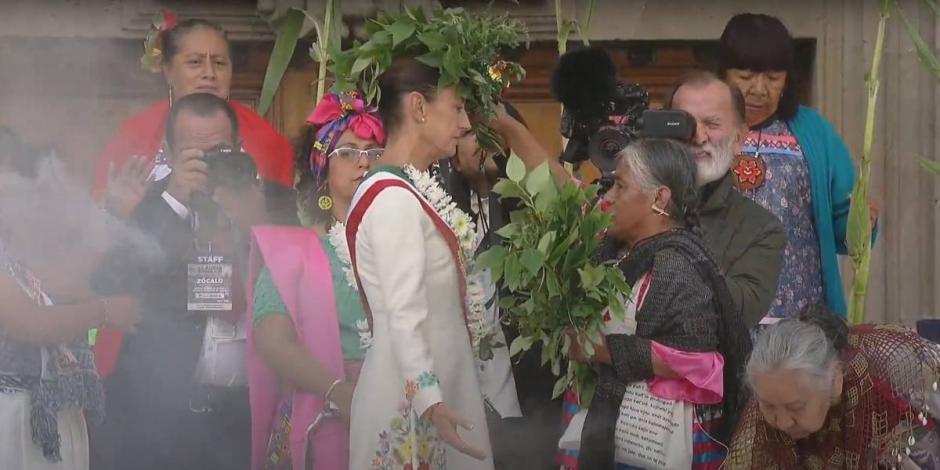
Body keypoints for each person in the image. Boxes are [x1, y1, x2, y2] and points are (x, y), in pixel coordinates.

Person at [93, 16, 295, 377]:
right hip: (161, 349)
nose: (209, 73)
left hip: (250, 346)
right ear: (168, 71)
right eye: (194, 62)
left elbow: (292, 255)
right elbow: (104, 265)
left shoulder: (268, 141)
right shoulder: (133, 138)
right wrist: (128, 212)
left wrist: (254, 218)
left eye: (219, 63)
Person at [94, 93, 264, 470]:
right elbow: (109, 283)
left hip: (244, 417)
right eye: (192, 154)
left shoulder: (265, 205)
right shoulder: (146, 208)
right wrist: (174, 201)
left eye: (219, 151)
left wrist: (253, 221)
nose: (207, 164)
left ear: (238, 148)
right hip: (158, 417)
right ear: (168, 155)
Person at [345, 55, 493, 469]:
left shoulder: (405, 189)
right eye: (457, 107)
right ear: (419, 108)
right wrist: (431, 402)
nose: (465, 124)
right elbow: (403, 313)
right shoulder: (392, 197)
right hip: (414, 404)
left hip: (432, 387)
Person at [571, 138, 751, 469]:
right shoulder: (607, 253)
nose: (607, 198)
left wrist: (604, 350)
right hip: (603, 423)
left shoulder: (679, 268)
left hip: (654, 440)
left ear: (659, 198)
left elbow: (700, 362)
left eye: (620, 187)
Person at [247, 89, 384, 470]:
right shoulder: (293, 251)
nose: (364, 163)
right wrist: (339, 393)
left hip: (396, 411)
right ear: (322, 168)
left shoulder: (399, 248)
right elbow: (272, 339)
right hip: (323, 408)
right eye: (349, 152)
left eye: (375, 153)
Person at [718, 13, 878, 320]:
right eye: (747, 76)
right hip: (719, 315)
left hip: (800, 316)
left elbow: (842, 221)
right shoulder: (702, 127)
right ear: (723, 73)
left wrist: (862, 221)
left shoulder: (814, 131)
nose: (759, 89)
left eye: (773, 78)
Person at [0, 158, 142, 470]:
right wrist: (104, 310)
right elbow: (32, 323)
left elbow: (68, 283)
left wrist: (113, 213)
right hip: (12, 414)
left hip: (51, 407)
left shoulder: (22, 240)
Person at [727, 304, 940, 468]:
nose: (782, 422)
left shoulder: (898, 367)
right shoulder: (762, 413)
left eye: (795, 407)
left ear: (835, 380)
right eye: (770, 407)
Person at [668, 70, 787, 328]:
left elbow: (741, 309)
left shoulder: (761, 229)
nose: (698, 137)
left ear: (739, 138)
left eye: (712, 125)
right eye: (685, 123)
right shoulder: (629, 200)